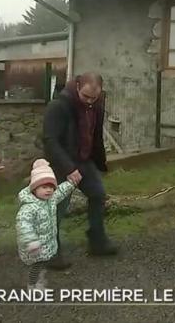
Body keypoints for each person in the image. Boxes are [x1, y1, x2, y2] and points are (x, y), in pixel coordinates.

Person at [43, 72, 118, 269]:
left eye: (94, 97)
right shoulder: (58, 106)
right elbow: (50, 140)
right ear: (77, 86)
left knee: (98, 195)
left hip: (84, 161)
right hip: (62, 163)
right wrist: (68, 168)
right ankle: (51, 252)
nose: (90, 101)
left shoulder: (96, 104)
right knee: (57, 208)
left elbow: (95, 135)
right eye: (86, 97)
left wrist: (100, 164)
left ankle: (97, 242)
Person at [16, 159, 82, 290]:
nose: (48, 190)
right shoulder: (29, 208)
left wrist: (71, 183)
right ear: (34, 189)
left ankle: (38, 279)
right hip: (34, 247)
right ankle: (32, 285)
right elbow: (23, 226)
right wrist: (31, 241)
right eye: (44, 187)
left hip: (45, 245)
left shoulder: (50, 200)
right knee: (36, 267)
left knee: (42, 265)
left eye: (51, 187)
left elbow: (61, 191)